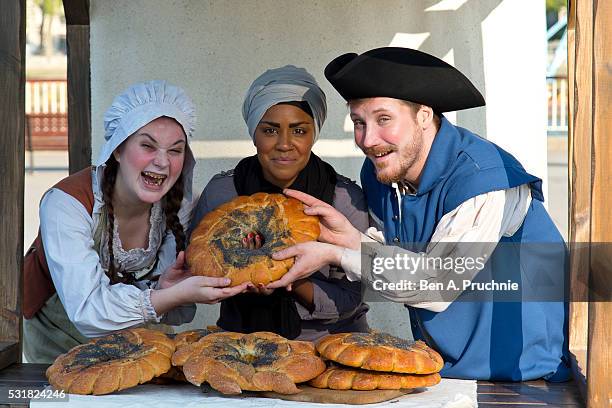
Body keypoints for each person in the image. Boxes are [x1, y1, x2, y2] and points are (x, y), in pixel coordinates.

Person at [267, 47, 570, 381]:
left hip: (523, 376)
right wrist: (353, 239)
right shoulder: (382, 172)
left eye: (384, 119)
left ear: (424, 115)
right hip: (441, 371)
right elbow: (402, 259)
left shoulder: (485, 177)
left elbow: (437, 284)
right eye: (358, 122)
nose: (369, 140)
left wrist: (340, 255)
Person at [23, 80, 249, 363]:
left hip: (141, 338)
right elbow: (87, 312)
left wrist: (164, 290)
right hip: (61, 339)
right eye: (148, 146)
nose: (162, 162)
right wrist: (165, 298)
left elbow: (163, 296)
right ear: (118, 150)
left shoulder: (180, 205)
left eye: (175, 150)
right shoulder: (66, 203)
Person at [189, 65, 369, 341]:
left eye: (298, 131)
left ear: (314, 133)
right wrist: (234, 277)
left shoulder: (343, 200)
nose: (284, 144)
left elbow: (354, 297)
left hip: (331, 343)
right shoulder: (222, 193)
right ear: (254, 133)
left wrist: (292, 281)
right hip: (241, 342)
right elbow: (200, 269)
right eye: (270, 130)